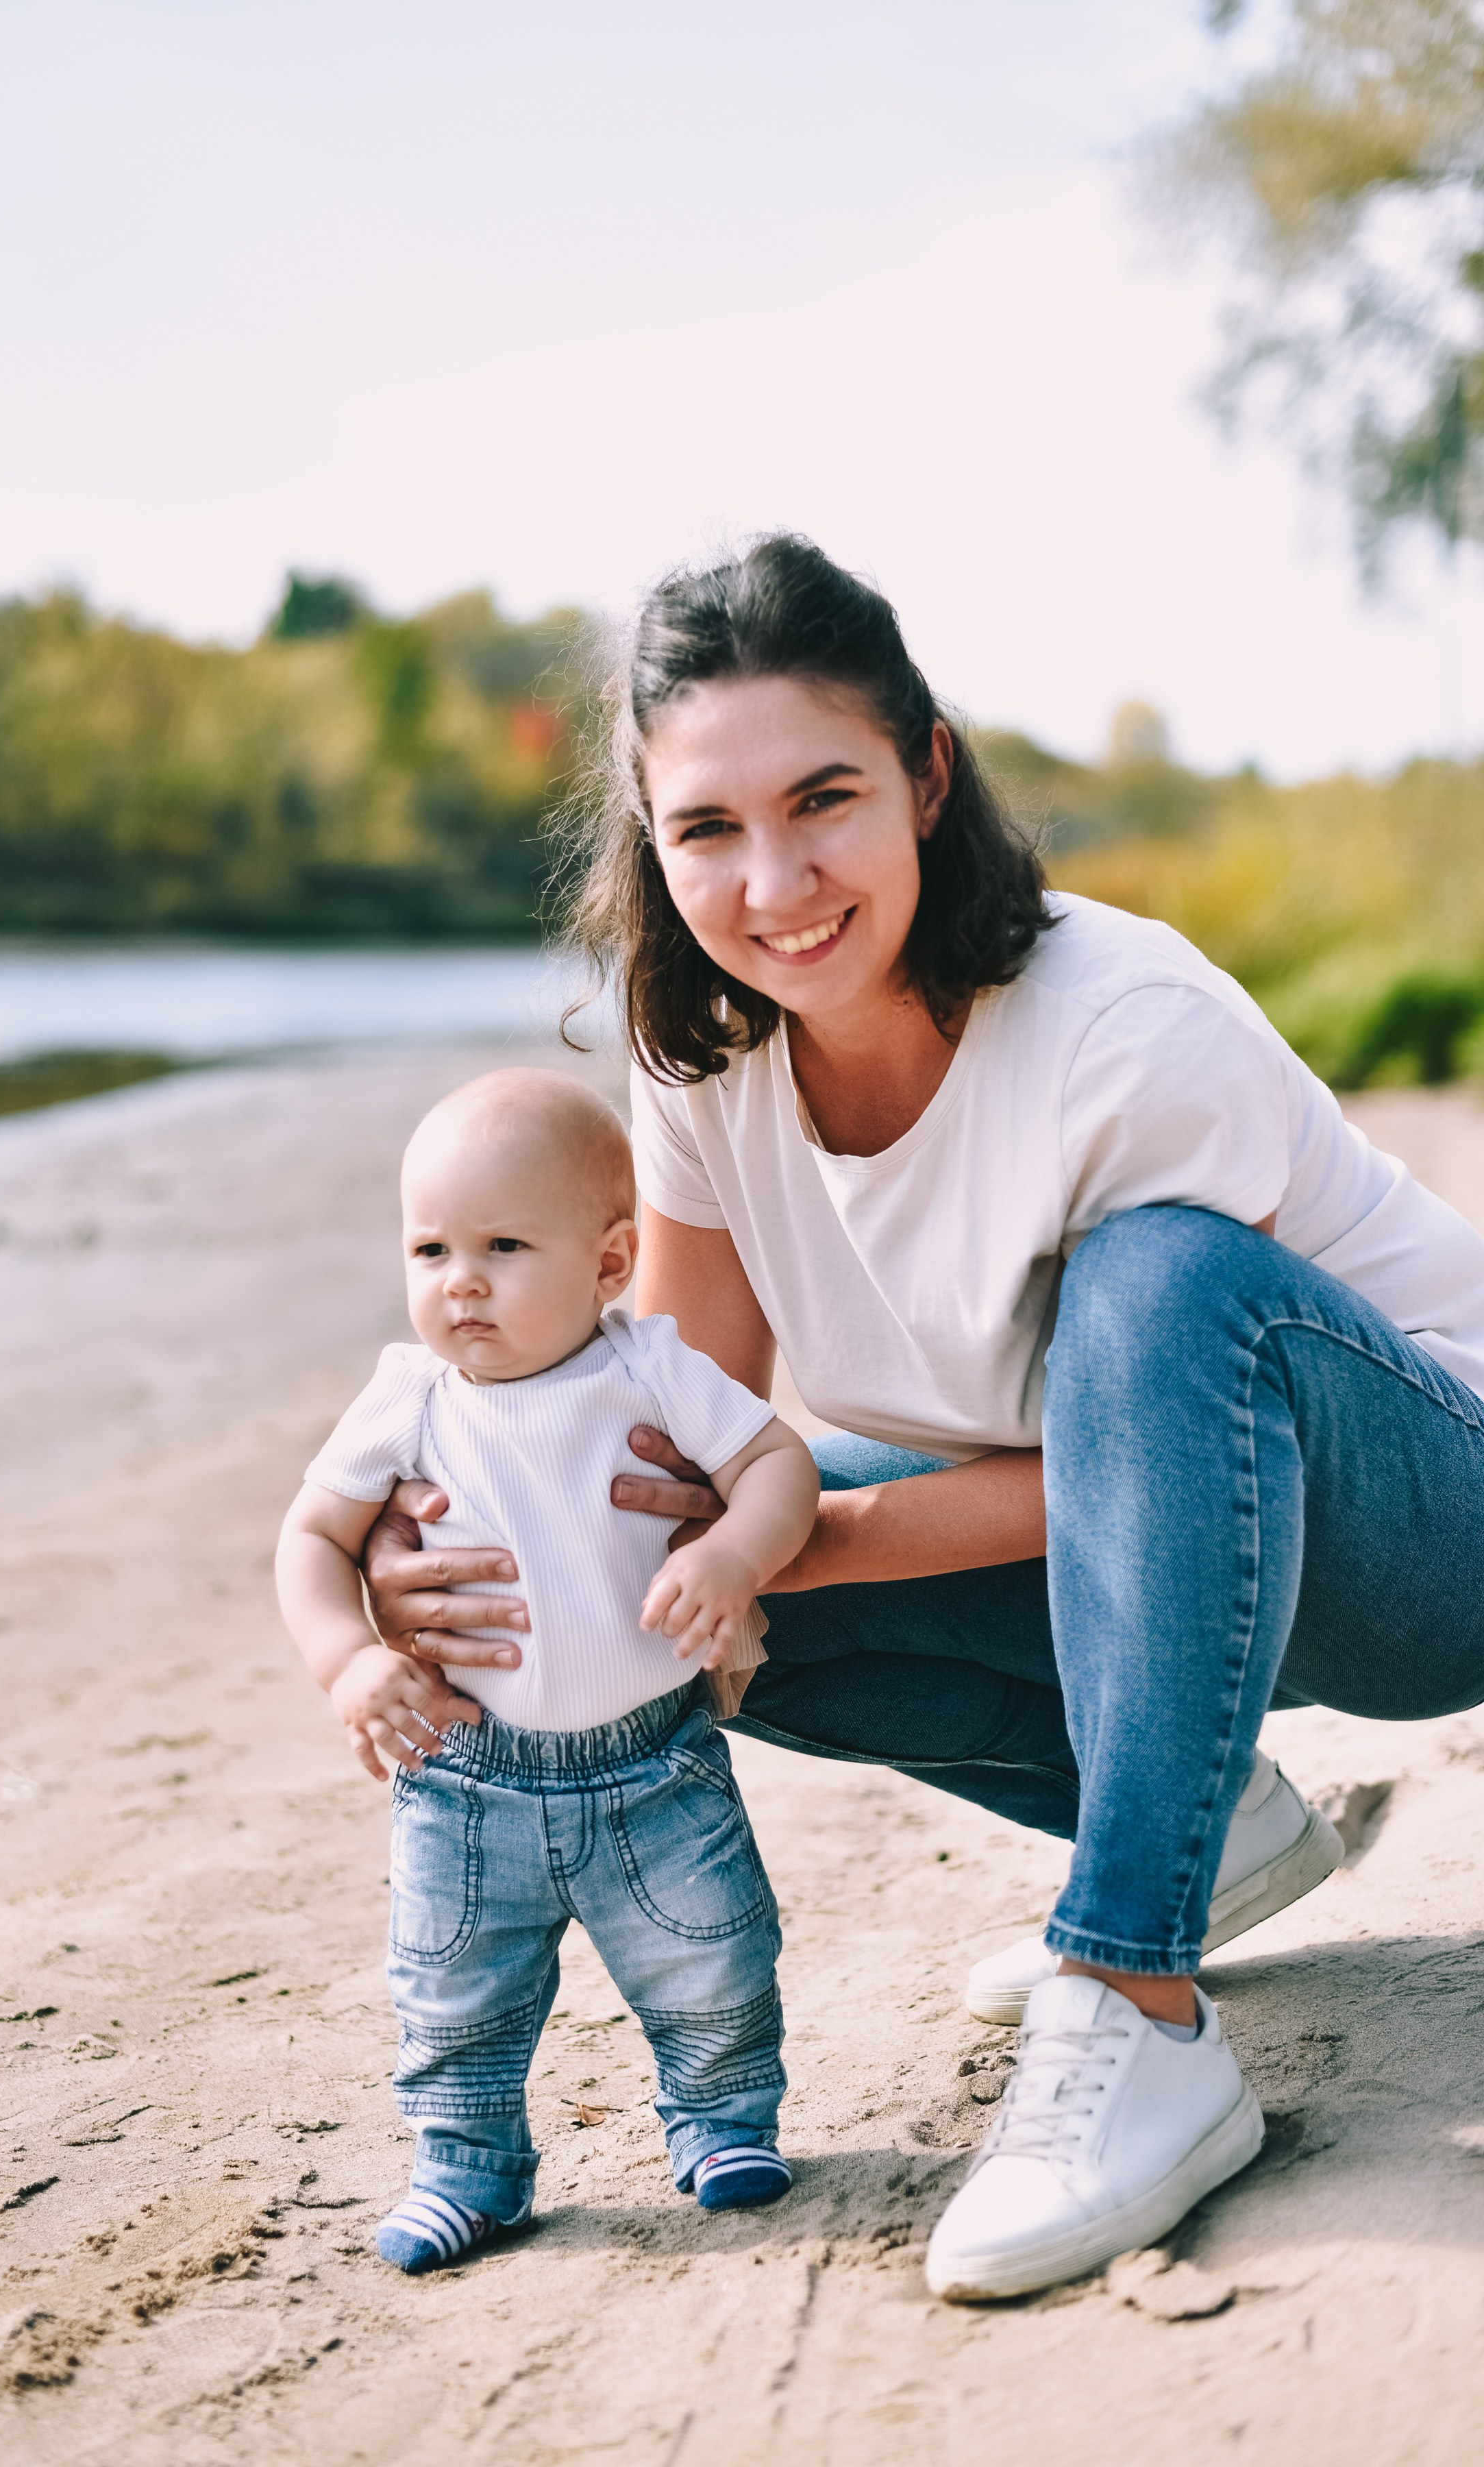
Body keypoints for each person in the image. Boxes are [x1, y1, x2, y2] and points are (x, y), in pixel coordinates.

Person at [357, 536, 1484, 2301]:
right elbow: (665, 1437)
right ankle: (1213, 1822)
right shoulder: (707, 1068)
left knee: (1157, 1290)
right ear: (652, 844)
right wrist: (438, 1578)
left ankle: (1138, 1997)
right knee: (684, 1583)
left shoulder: (1123, 1029)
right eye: (707, 830)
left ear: (926, 777)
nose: (776, 880)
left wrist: (809, 1537)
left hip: (1427, 1531)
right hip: (1177, 1571)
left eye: (825, 801)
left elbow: (1181, 1428)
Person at [275, 1068, 819, 2274]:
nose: (459, 1281)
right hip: (469, 1783)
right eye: (430, 1249)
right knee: (452, 1992)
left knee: (713, 1958)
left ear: (611, 1260)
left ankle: (723, 2124)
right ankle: (469, 2169)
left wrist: (734, 1552)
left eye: (504, 1245)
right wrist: (346, 1659)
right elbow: (308, 1539)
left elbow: (779, 1461)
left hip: (656, 1765)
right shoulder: (407, 1398)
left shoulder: (649, 1365)